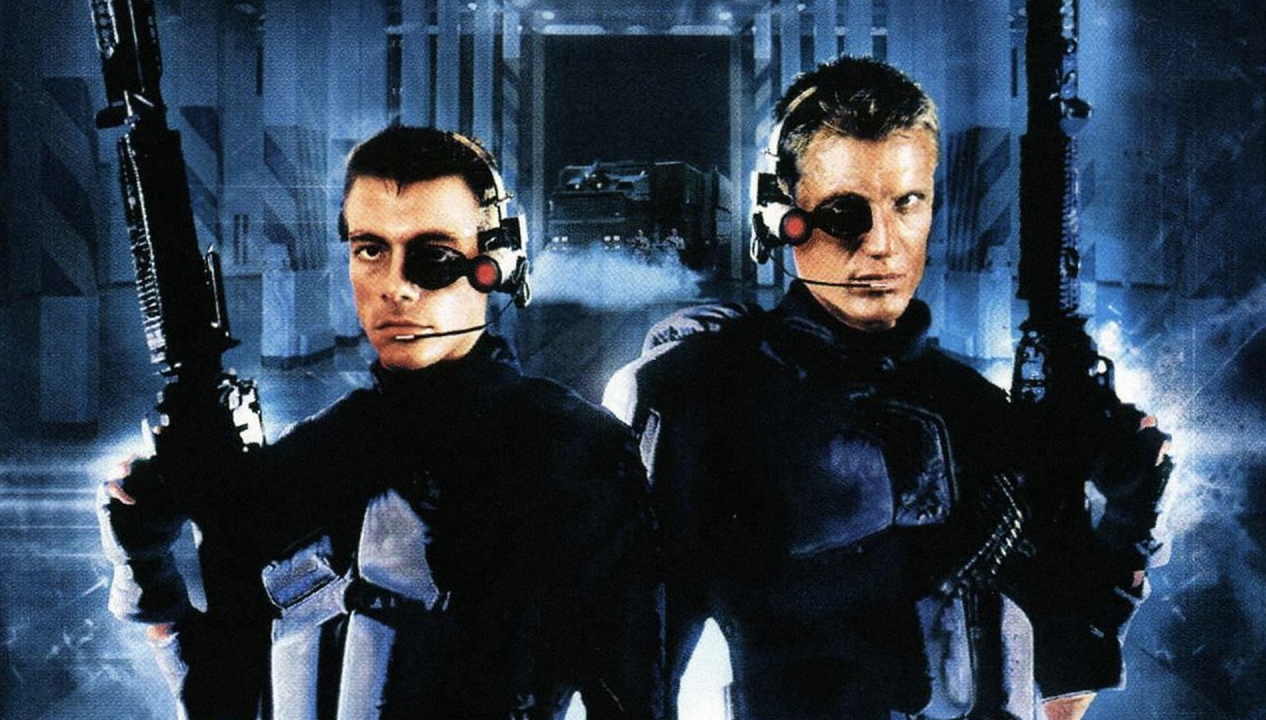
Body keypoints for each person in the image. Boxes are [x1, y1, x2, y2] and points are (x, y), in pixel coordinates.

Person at [603, 56, 1170, 720]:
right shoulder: (702, 397)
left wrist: (1125, 525)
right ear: (780, 215)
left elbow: (1056, 704)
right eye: (845, 212)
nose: (882, 244)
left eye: (907, 203)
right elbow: (633, 680)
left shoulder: (976, 411)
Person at [99, 126, 661, 720]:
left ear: (496, 261)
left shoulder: (576, 453)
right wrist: (146, 567)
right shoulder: (308, 456)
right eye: (370, 250)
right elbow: (225, 697)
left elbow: (629, 700)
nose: (396, 287)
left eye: (434, 254)